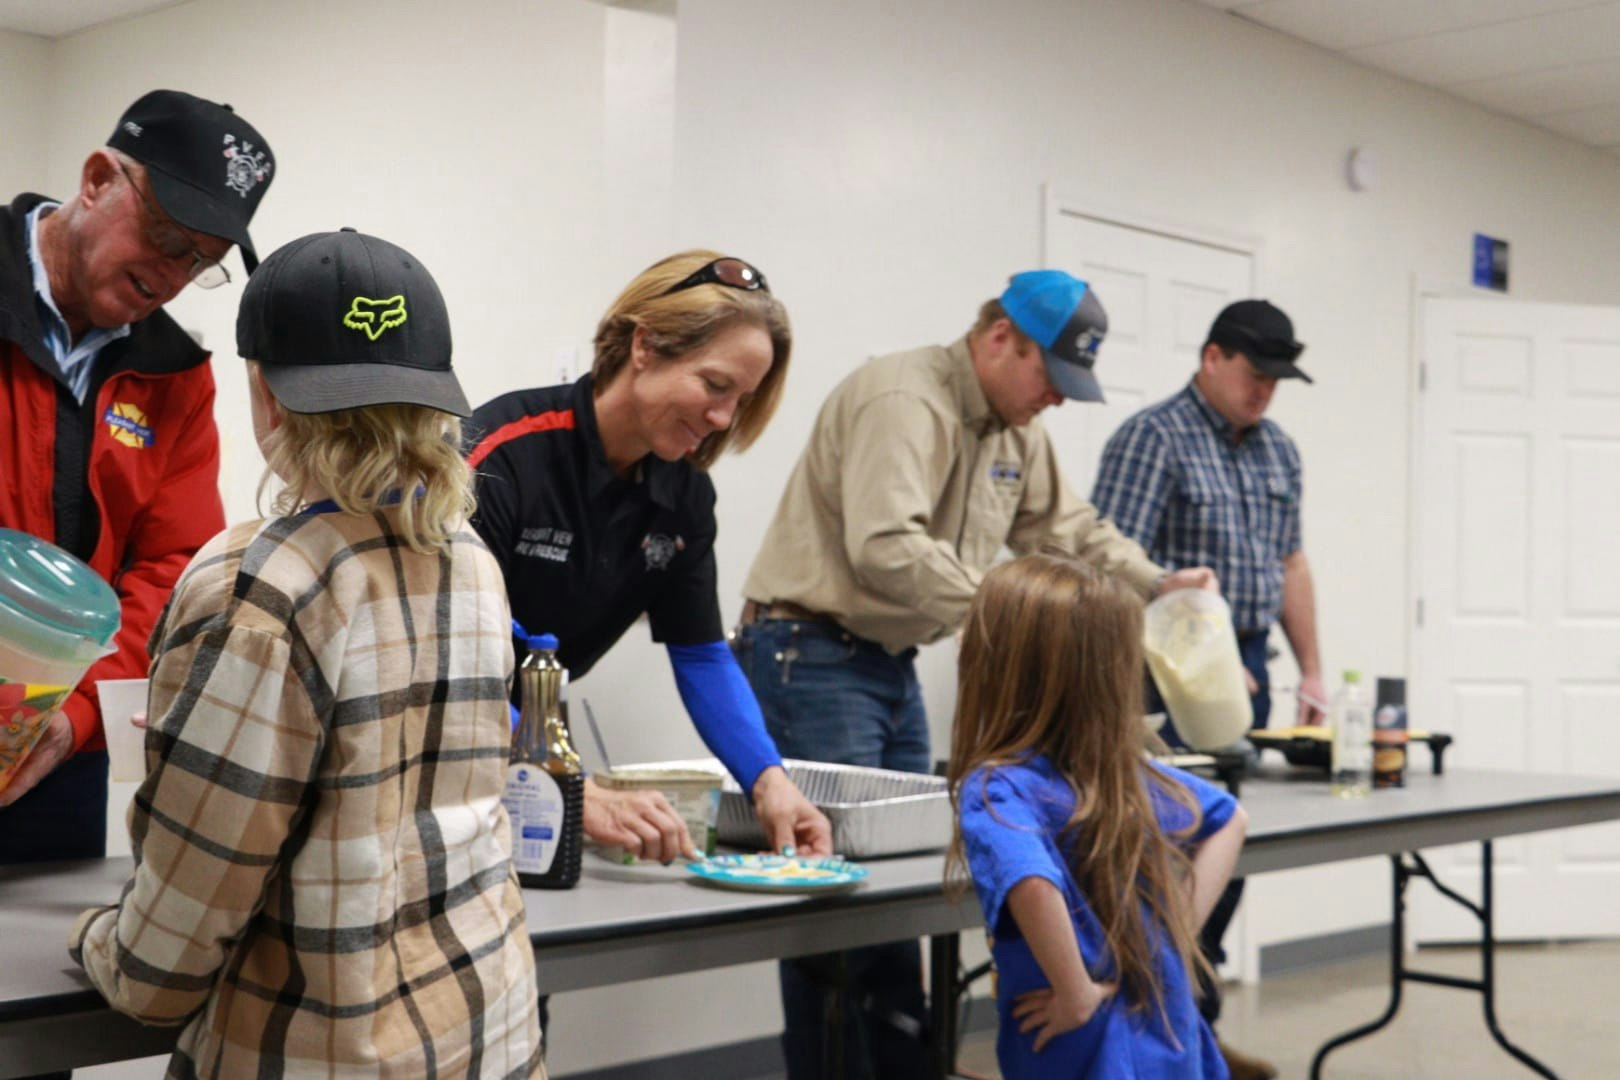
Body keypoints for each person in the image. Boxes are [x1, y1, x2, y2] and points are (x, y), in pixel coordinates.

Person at [69, 229, 544, 1077]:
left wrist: (96, 940)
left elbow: (164, 965)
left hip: (326, 1050)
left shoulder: (260, 583)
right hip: (487, 1030)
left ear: (266, 391)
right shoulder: (470, 557)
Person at [737, 269, 1215, 1079]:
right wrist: (1016, 621)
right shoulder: (904, 399)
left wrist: (1154, 581)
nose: (1057, 400)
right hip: (809, 657)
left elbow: (1066, 528)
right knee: (840, 906)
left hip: (886, 664)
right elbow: (885, 547)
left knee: (914, 890)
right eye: (1051, 377)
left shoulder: (1014, 424)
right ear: (1000, 337)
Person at [467, 251, 831, 864]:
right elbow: (441, 668)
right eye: (715, 385)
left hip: (534, 743)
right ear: (646, 346)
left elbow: (702, 653)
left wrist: (769, 781)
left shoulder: (684, 496)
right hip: (446, 737)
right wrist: (572, 783)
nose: (722, 419)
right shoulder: (501, 457)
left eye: (740, 400)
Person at [0, 91, 276, 866]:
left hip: (53, 756)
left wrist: (73, 715)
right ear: (96, 180)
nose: (173, 274)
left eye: (201, 260)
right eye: (163, 236)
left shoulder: (177, 376)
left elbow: (170, 570)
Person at [1090, 297, 1320, 1080]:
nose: (1265, 392)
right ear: (1212, 357)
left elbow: (1290, 564)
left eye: (1277, 380)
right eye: (1255, 374)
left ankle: (1195, 1034)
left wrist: (1313, 668)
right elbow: (1106, 575)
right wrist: (1189, 665)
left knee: (1225, 864)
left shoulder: (1279, 450)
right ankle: (1145, 1038)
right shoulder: (1152, 438)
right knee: (1162, 871)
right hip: (1167, 679)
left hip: (1248, 676)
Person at [947, 553, 1247, 1079]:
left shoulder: (996, 788)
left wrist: (1075, 992)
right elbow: (1229, 819)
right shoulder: (1125, 774)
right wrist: (1175, 936)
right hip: (1169, 1036)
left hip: (1081, 1048)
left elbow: (1031, 881)